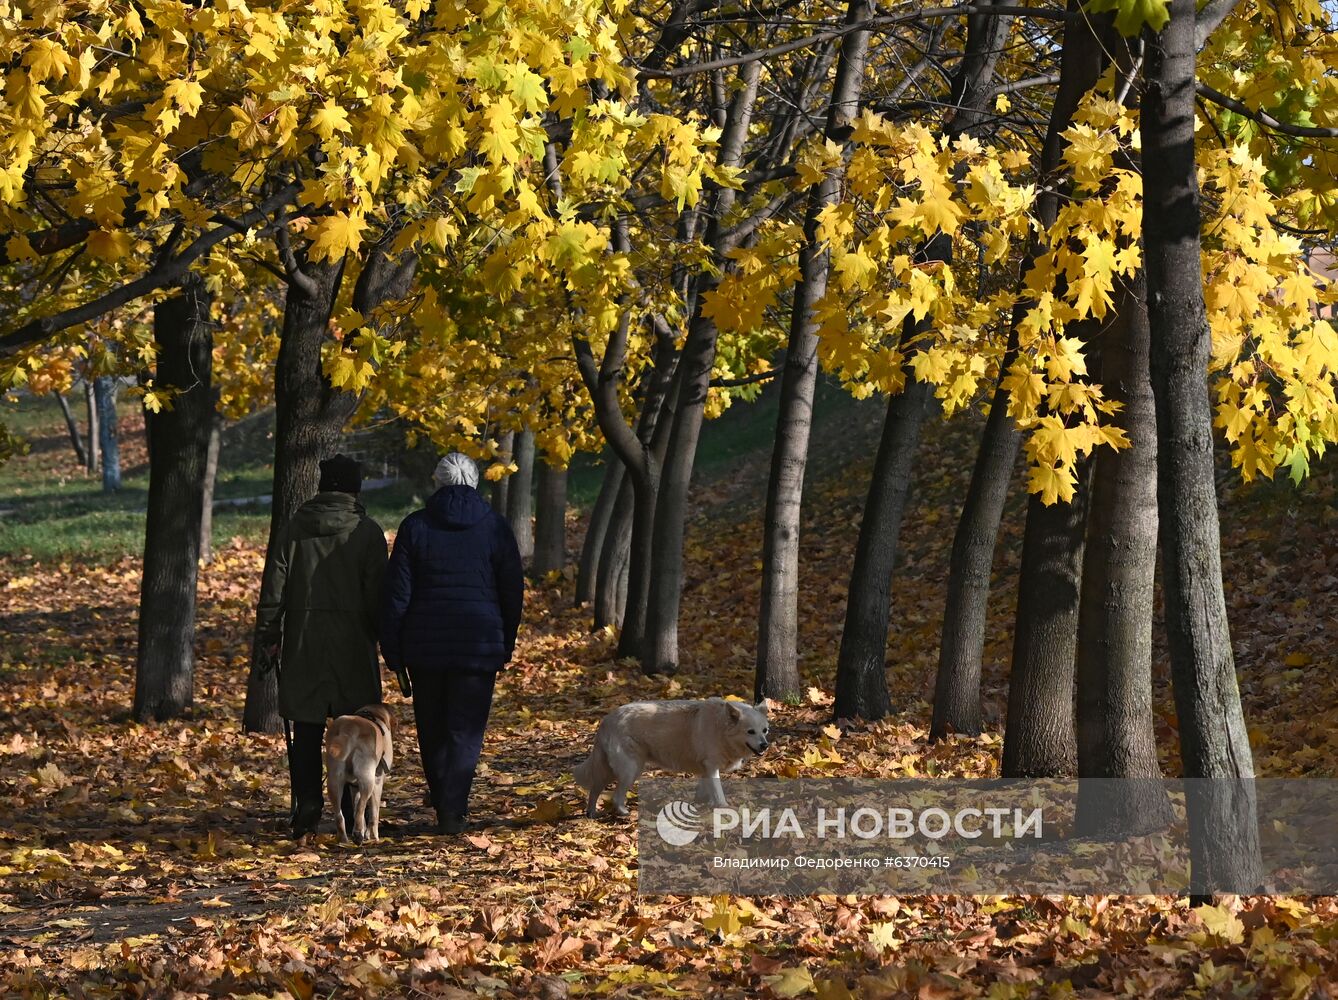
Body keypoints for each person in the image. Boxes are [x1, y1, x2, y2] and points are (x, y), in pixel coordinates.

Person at [381, 452, 524, 835]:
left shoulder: (415, 526)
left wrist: (392, 650)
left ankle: (445, 798)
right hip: (478, 644)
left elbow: (397, 594)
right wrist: (504, 641)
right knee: (466, 730)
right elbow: (512, 591)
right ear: (475, 481)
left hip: (425, 647)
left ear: (438, 482)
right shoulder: (494, 527)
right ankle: (453, 808)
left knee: (432, 727)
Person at [256, 454, 388, 840]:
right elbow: (378, 594)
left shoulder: (294, 529)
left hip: (303, 639)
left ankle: (308, 806)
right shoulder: (367, 532)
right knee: (355, 728)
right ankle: (351, 812)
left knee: (306, 729)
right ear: (356, 488)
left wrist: (268, 636)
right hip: (352, 643)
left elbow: (273, 589)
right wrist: (385, 638)